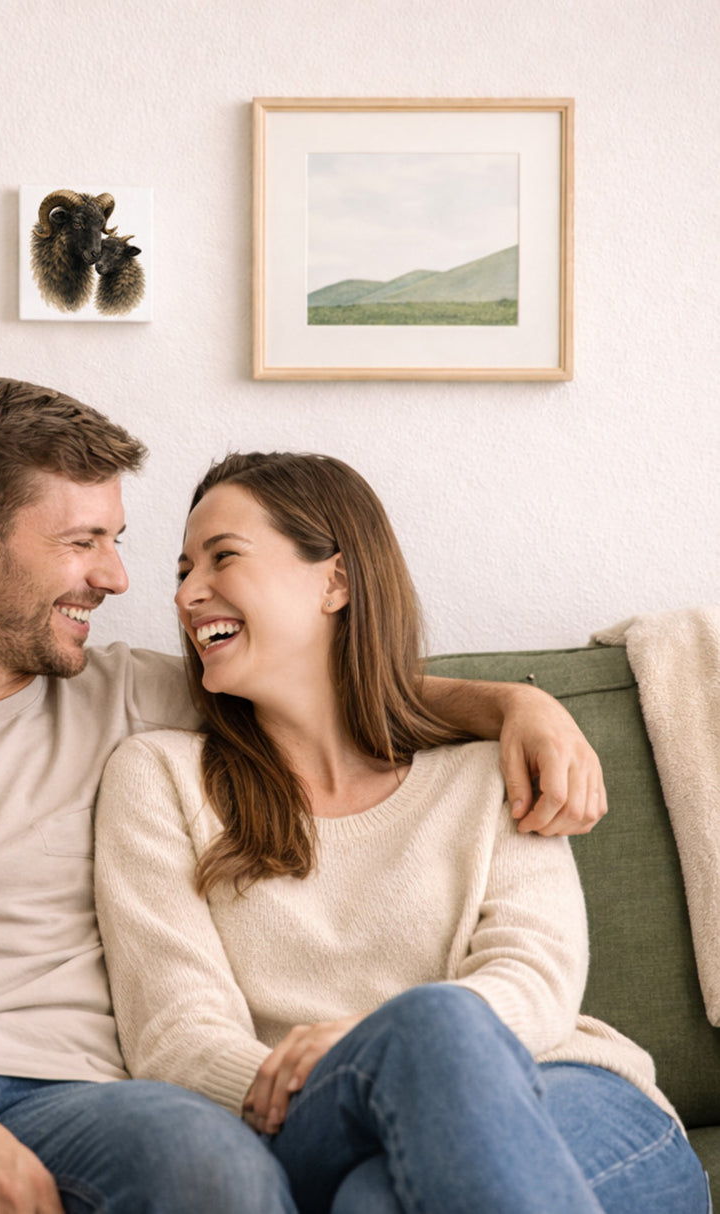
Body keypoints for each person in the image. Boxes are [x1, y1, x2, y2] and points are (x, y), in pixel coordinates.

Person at [0, 380, 610, 1214]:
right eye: (83, 542)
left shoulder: (132, 693)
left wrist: (514, 703)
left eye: (120, 542)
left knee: (209, 1167)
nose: (118, 577)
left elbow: (327, 681)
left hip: (77, 1101)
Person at [93, 450, 709, 1214]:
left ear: (337, 582)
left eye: (222, 558)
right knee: (427, 1027)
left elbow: (536, 980)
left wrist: (396, 1042)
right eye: (182, 572)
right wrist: (374, 1058)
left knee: (379, 1197)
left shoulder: (488, 770)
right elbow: (177, 1035)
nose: (187, 594)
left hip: (562, 1089)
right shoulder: (159, 778)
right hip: (308, 1117)